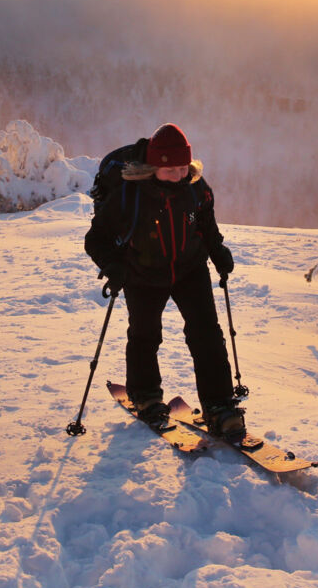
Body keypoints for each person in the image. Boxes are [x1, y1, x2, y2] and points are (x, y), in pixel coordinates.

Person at [84, 123, 244, 439]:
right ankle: (145, 399)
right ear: (153, 166)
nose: (178, 175)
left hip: (189, 269)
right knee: (145, 336)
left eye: (183, 168)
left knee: (207, 337)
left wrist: (217, 250)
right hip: (142, 274)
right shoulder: (129, 194)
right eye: (170, 170)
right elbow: (95, 239)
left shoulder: (196, 186)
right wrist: (113, 266)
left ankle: (221, 407)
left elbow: (206, 224)